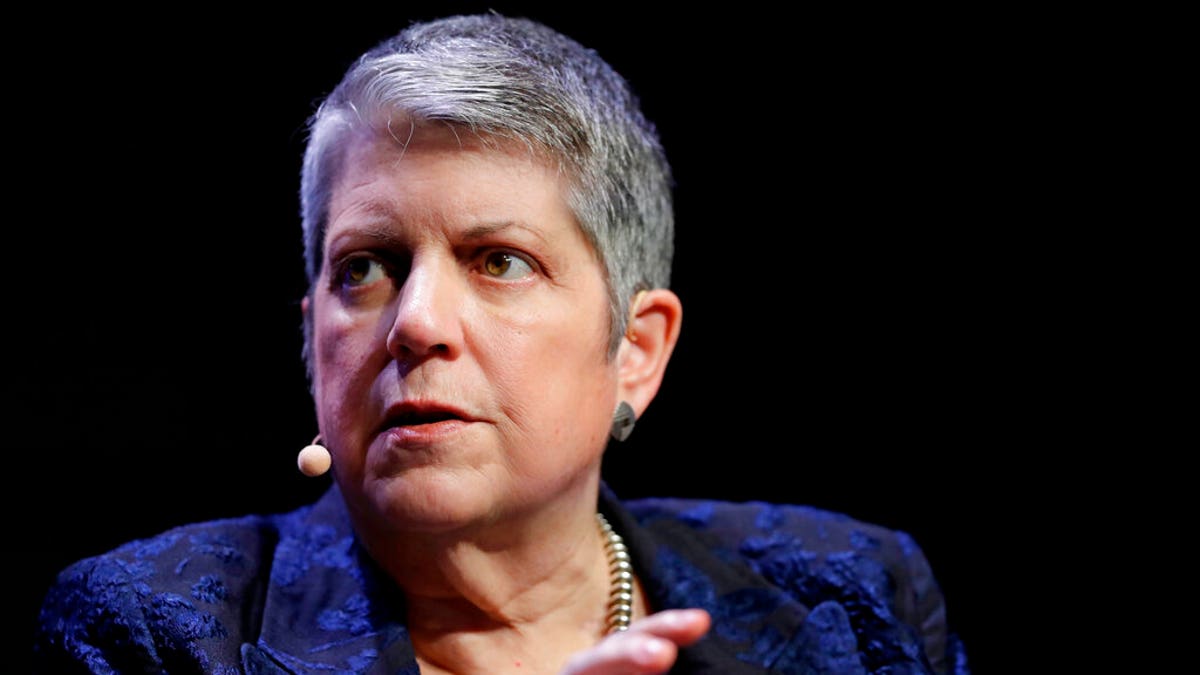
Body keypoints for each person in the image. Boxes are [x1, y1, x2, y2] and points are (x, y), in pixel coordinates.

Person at [33, 13, 969, 674]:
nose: (416, 324)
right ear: (311, 336)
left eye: (499, 261)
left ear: (635, 348)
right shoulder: (153, 634)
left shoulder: (855, 594)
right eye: (365, 266)